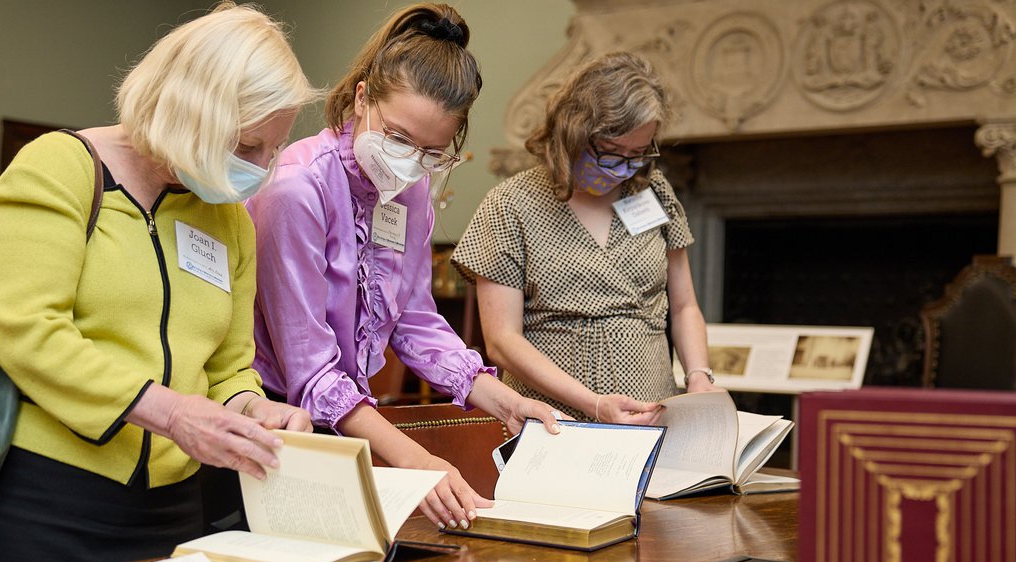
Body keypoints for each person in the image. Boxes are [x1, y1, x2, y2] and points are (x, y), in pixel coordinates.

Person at [0, 2, 319, 562]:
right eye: (247, 146)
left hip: (174, 510)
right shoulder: (59, 169)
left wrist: (257, 412)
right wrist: (173, 413)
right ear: (190, 114)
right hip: (49, 501)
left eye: (272, 149)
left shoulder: (229, 220)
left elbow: (228, 369)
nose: (262, 167)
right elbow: (28, 331)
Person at [247, 3, 564, 533]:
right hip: (279, 417)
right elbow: (311, 371)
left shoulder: (409, 190)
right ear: (362, 96)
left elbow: (415, 320)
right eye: (397, 138)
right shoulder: (296, 189)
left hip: (355, 423)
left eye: (430, 151)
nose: (408, 160)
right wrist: (417, 460)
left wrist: (505, 403)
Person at [451, 51, 722, 426]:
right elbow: (502, 342)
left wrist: (698, 376)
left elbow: (684, 306)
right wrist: (592, 403)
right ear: (572, 133)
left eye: (638, 154)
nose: (623, 170)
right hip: (555, 423)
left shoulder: (651, 190)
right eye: (611, 154)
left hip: (653, 419)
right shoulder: (510, 205)